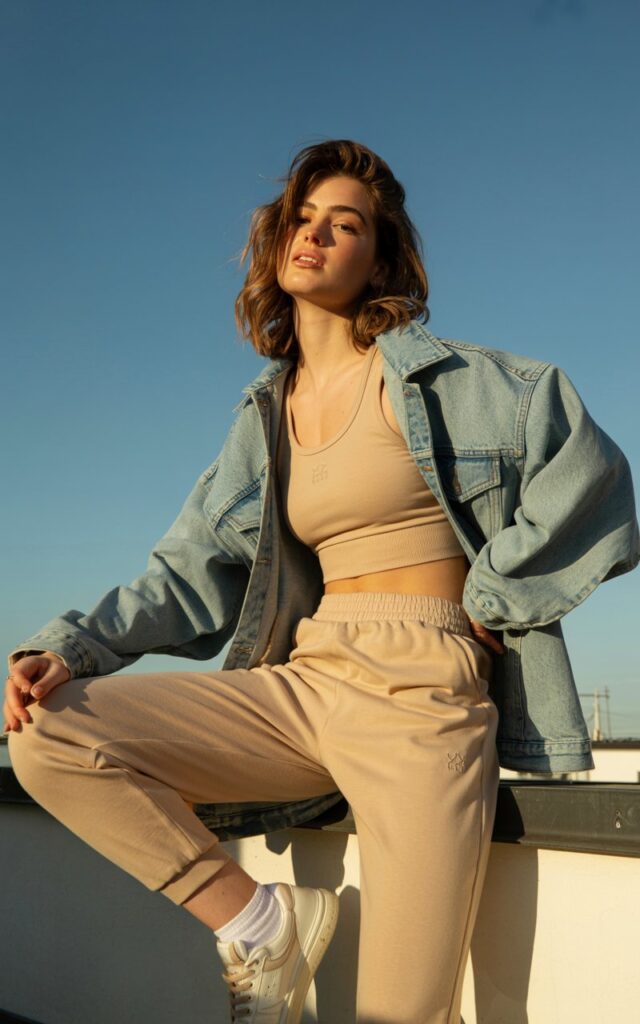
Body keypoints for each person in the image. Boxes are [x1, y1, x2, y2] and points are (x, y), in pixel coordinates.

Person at [4, 139, 639, 1024]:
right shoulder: (265, 416)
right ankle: (261, 925)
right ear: (275, 243)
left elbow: (594, 474)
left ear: (378, 257)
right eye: (302, 219)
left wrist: (492, 595)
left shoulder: (450, 381)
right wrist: (69, 648)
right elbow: (187, 570)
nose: (318, 235)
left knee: (398, 1013)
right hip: (306, 680)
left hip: (424, 697)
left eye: (346, 225)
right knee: (49, 736)